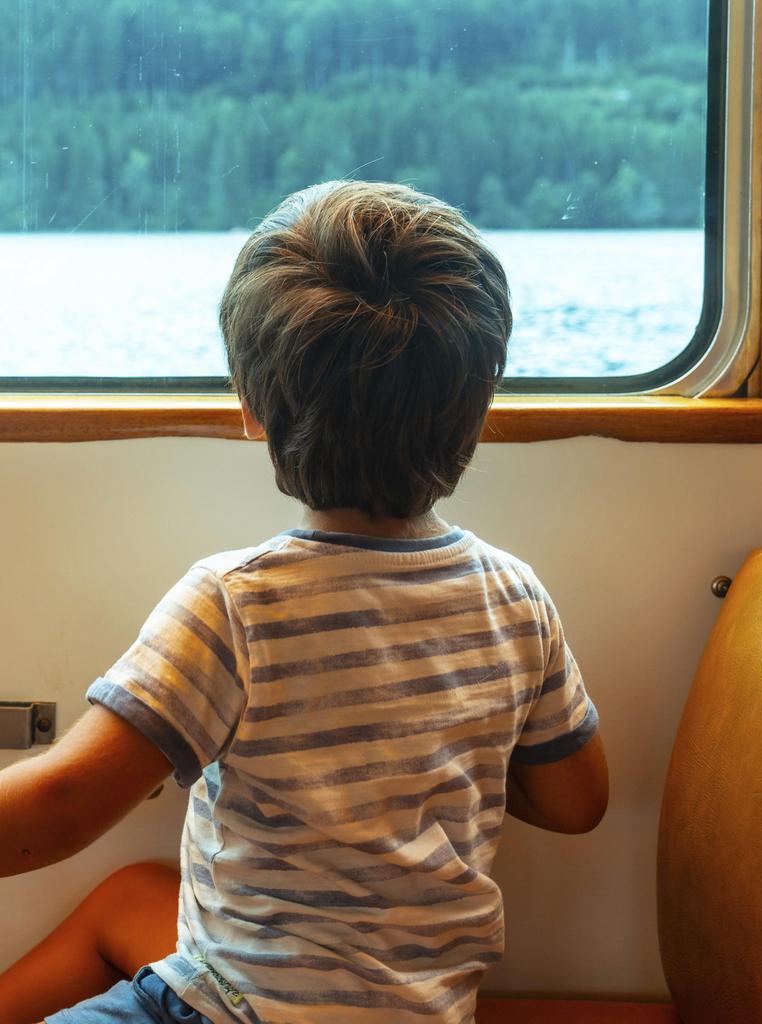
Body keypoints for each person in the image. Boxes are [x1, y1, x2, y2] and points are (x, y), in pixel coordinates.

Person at [0, 181, 608, 1024]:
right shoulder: (514, 596)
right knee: (134, 897)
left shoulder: (236, 605)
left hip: (241, 1011)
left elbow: (62, 807)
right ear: (474, 416)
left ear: (253, 411)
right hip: (423, 1011)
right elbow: (578, 805)